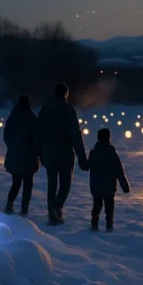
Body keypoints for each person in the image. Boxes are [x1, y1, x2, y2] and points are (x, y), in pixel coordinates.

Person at [36, 82, 88, 226]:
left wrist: (39, 153)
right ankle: (56, 207)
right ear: (65, 94)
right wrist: (82, 156)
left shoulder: (45, 110)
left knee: (52, 183)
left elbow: (38, 133)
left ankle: (52, 212)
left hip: (49, 154)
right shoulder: (68, 110)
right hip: (65, 153)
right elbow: (75, 134)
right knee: (65, 184)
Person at [87, 127, 131, 232]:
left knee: (96, 206)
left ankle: (94, 223)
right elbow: (119, 170)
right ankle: (109, 225)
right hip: (109, 187)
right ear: (108, 138)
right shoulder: (112, 154)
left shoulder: (93, 153)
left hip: (96, 187)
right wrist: (124, 185)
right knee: (109, 208)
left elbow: (87, 166)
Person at [2, 94, 39, 215]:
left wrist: (13, 147)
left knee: (16, 183)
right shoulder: (32, 118)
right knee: (28, 185)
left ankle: (9, 205)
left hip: (15, 156)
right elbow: (36, 138)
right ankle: (24, 209)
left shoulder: (12, 117)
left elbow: (6, 136)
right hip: (29, 156)